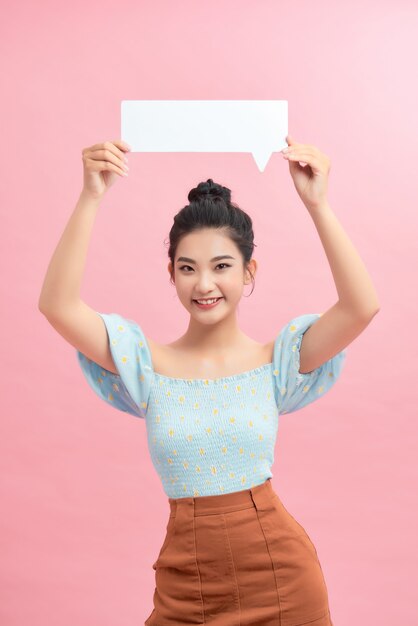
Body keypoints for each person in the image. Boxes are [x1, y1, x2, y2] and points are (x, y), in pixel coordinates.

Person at [38, 136, 380, 625]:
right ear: (171, 274)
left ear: (248, 272)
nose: (204, 284)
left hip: (279, 579)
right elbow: (58, 307)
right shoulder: (144, 365)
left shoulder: (277, 363)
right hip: (186, 583)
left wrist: (318, 203)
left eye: (222, 267)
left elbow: (360, 307)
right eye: (188, 268)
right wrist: (91, 196)